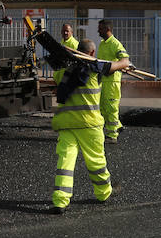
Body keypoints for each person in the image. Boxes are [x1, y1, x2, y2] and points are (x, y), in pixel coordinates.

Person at [51, 38, 130, 214]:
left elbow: (57, 79)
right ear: (93, 53)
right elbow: (119, 64)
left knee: (65, 161)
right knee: (96, 161)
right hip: (89, 124)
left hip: (66, 123)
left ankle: (60, 201)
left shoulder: (64, 69)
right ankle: (103, 193)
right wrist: (125, 62)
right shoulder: (96, 68)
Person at [97, 20, 129, 144]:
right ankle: (117, 126)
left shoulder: (115, 44)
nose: (98, 31)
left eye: (100, 29)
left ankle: (112, 135)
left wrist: (113, 67)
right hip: (103, 81)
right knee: (103, 108)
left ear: (107, 29)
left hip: (112, 82)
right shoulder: (102, 44)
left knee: (111, 108)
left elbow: (125, 60)